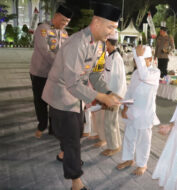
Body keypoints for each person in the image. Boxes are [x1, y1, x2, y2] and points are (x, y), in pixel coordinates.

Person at [42, 3, 121, 190]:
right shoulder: (77, 43)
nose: (111, 33)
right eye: (110, 27)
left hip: (76, 97)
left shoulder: (99, 44)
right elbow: (72, 83)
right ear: (96, 22)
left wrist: (109, 92)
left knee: (76, 133)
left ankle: (64, 155)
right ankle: (76, 182)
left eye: (114, 29)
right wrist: (101, 97)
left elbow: (94, 74)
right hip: (61, 97)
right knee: (72, 141)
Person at [116, 45, 160, 176]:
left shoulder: (154, 73)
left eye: (141, 59)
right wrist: (124, 107)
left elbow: (144, 75)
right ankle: (129, 159)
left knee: (143, 141)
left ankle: (143, 164)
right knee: (129, 137)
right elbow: (129, 91)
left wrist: (139, 56)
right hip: (132, 111)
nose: (138, 63)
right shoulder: (136, 73)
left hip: (145, 114)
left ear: (150, 59)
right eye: (136, 60)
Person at [30, 4, 72, 138]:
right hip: (40, 73)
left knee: (54, 101)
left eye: (67, 22)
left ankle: (53, 128)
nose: (65, 24)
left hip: (55, 74)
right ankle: (42, 125)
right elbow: (45, 51)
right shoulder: (43, 29)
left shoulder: (65, 33)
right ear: (56, 16)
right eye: (64, 20)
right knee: (40, 101)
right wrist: (62, 64)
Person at [101, 30, 127, 156]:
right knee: (113, 121)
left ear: (108, 43)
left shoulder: (115, 58)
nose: (104, 46)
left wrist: (111, 97)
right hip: (112, 94)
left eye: (105, 43)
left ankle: (113, 147)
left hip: (113, 95)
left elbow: (116, 81)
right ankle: (116, 144)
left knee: (109, 122)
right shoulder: (111, 56)